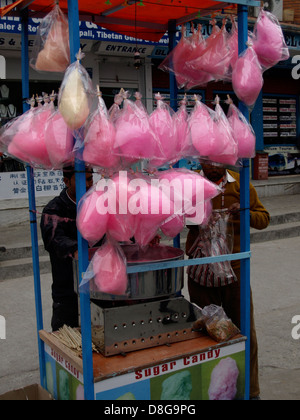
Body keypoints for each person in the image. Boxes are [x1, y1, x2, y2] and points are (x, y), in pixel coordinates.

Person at [186, 163, 270, 401]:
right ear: (200, 159)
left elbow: (264, 218)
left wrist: (244, 212)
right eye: (208, 163)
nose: (214, 168)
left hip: (234, 270)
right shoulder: (190, 184)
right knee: (205, 332)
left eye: (218, 163)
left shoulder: (239, 184)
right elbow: (176, 218)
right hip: (200, 273)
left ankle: (251, 391)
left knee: (245, 333)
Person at [40, 166, 94, 332]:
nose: (87, 184)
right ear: (65, 181)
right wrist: (77, 250)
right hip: (67, 288)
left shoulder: (97, 204)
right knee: (66, 339)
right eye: (81, 180)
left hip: (97, 287)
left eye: (90, 179)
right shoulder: (53, 209)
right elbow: (54, 239)